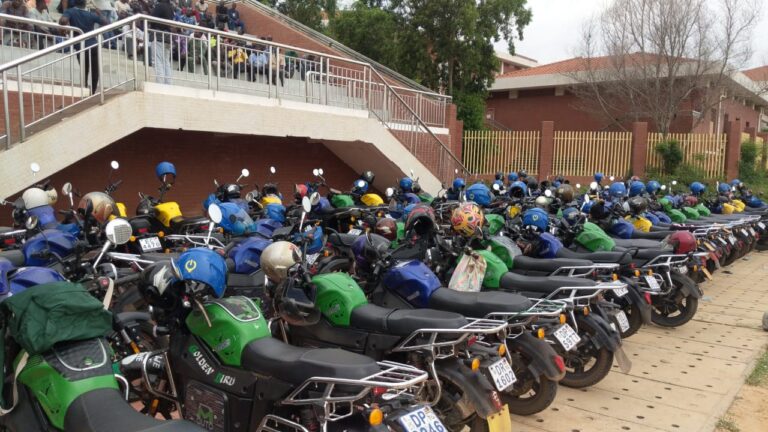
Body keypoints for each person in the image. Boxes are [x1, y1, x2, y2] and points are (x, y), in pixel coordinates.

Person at [63, 0, 107, 93]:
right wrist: (100, 14)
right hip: (93, 45)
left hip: (81, 47)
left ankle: (85, 89)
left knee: (84, 70)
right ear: (85, 3)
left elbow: (62, 21)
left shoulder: (70, 11)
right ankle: (92, 92)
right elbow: (106, 22)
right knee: (95, 71)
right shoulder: (91, 14)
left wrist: (67, 28)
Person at [150, 0, 175, 84]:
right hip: (167, 36)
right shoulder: (170, 7)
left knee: (158, 61)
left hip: (159, 35)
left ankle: (160, 83)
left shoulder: (159, 5)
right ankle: (168, 83)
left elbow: (152, 20)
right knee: (166, 62)